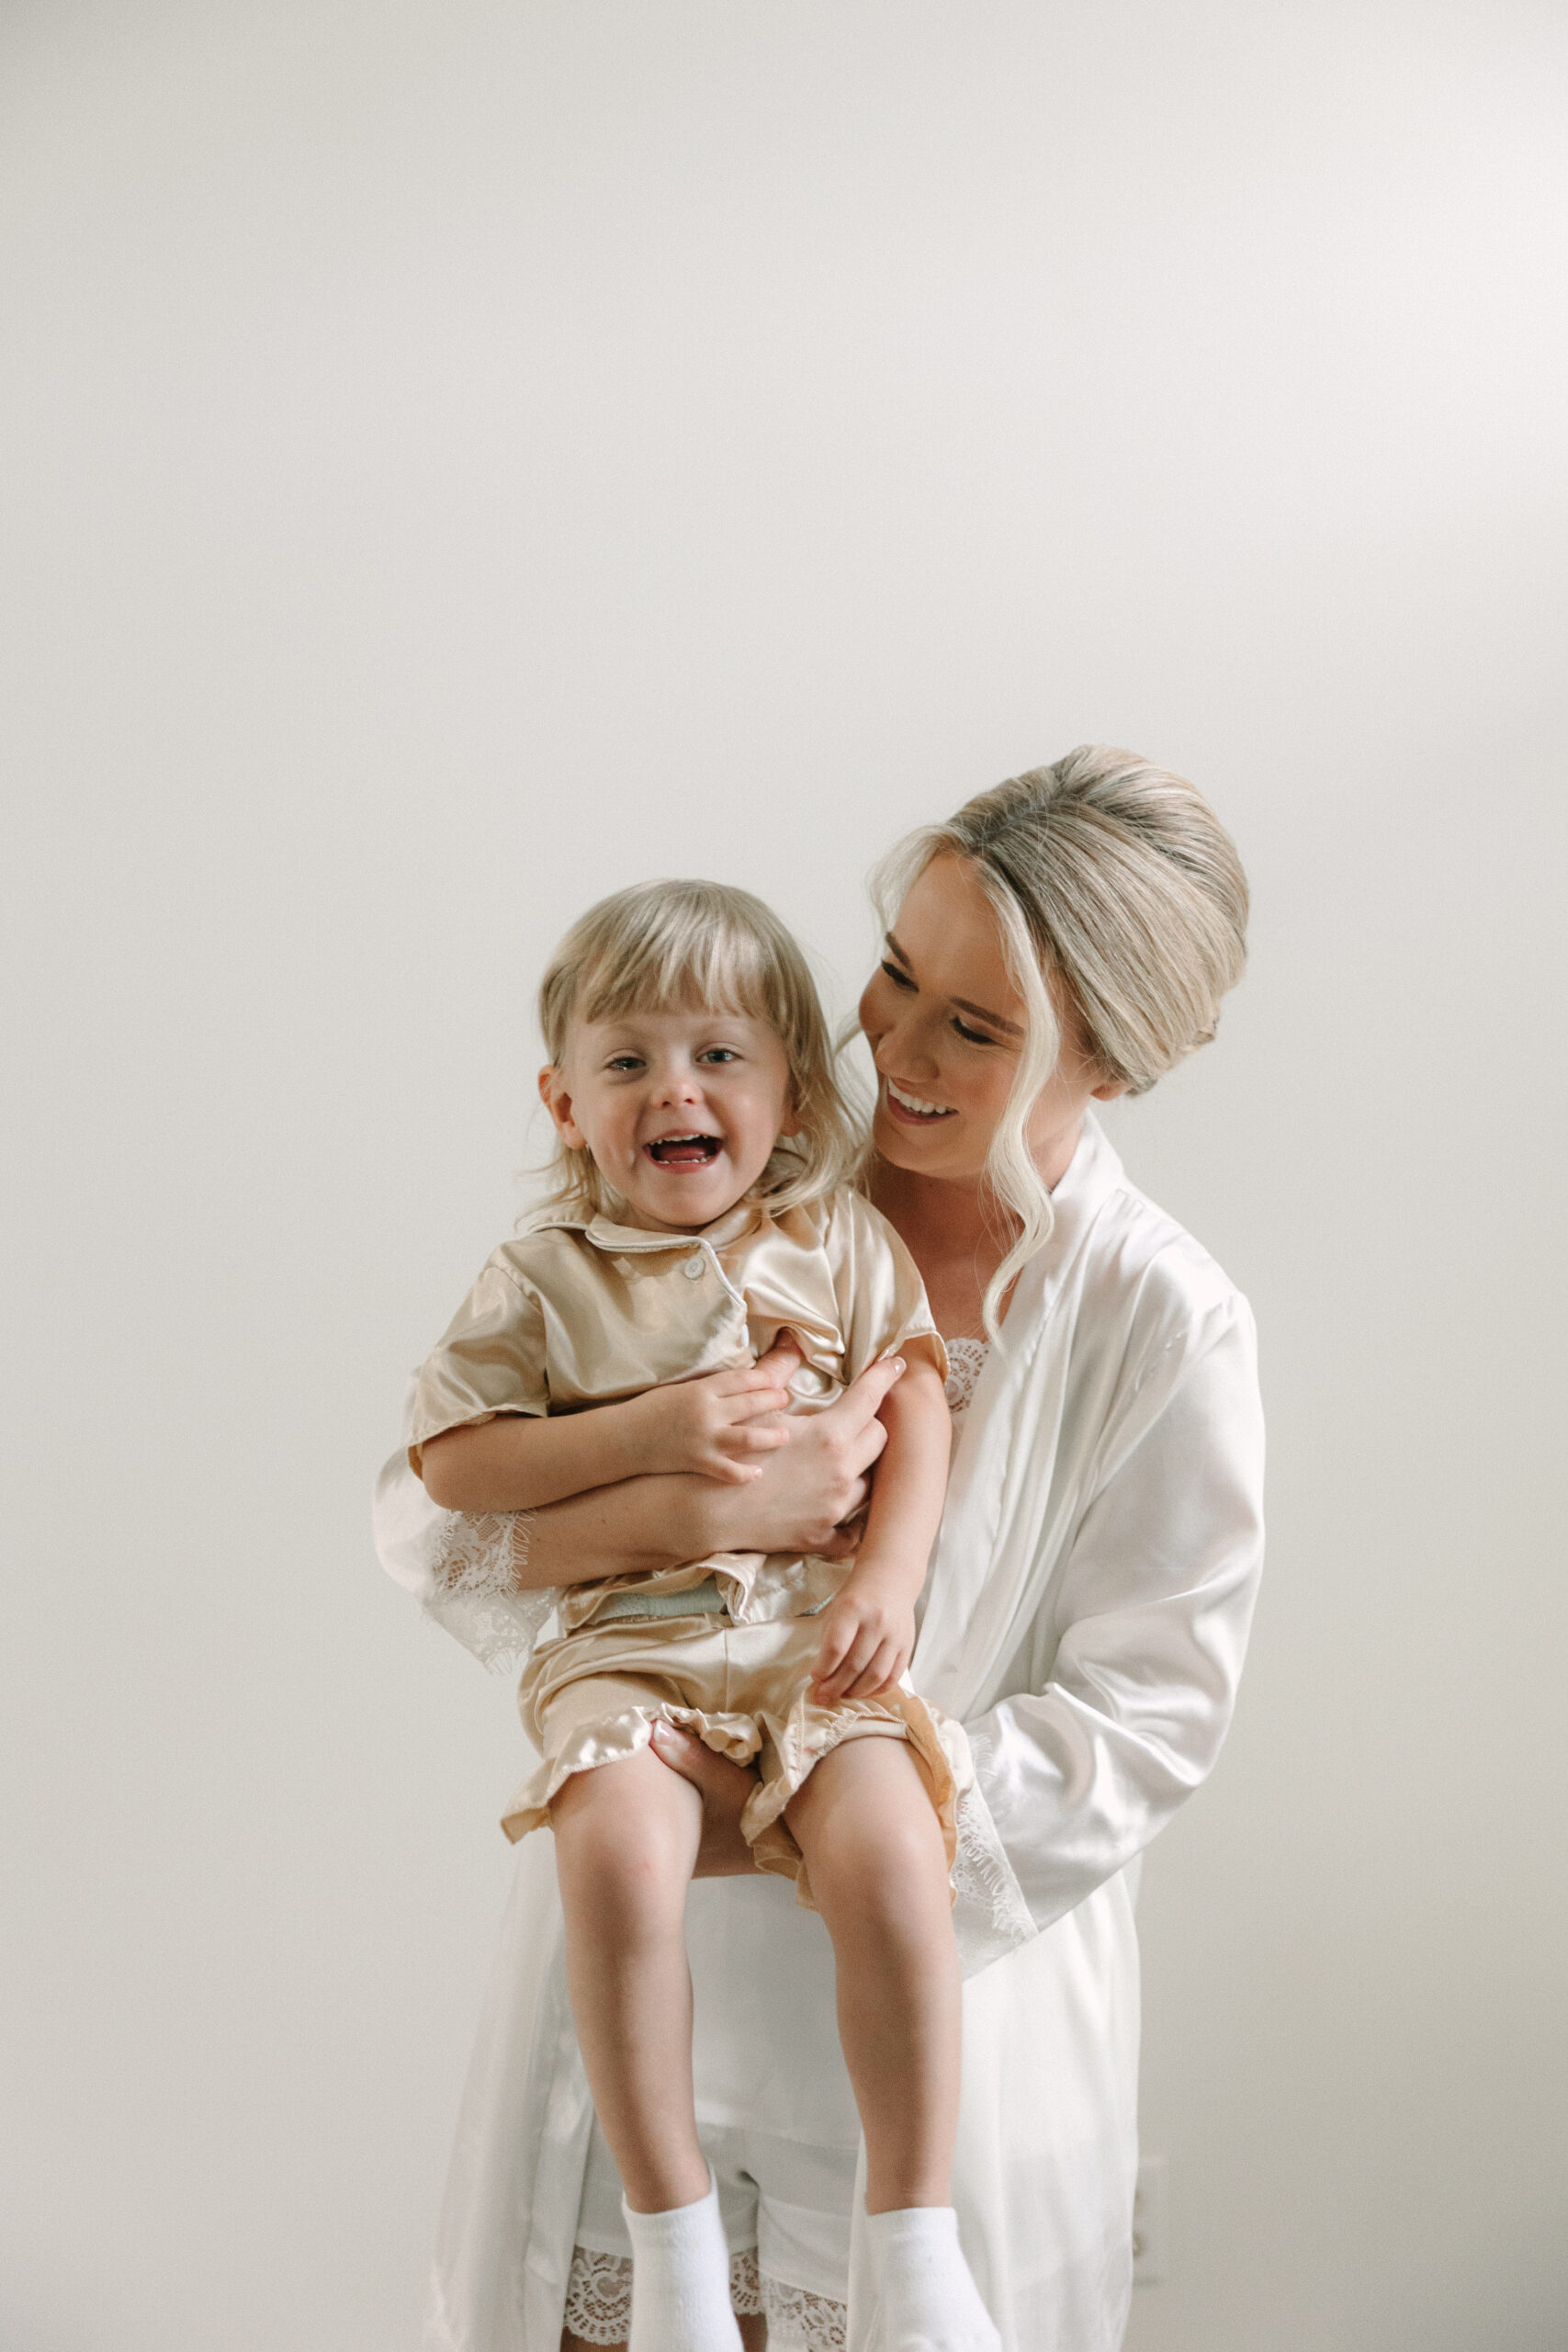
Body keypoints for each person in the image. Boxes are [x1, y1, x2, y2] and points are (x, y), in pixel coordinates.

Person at [373, 745, 1266, 2352]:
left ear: (1111, 1062)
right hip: (648, 1995)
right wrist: (698, 1511)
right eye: (896, 974)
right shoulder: (743, 1173)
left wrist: (803, 1810)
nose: (894, 1050)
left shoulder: (1161, 1319)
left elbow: (1149, 1721)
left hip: (937, 2039)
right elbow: (433, 1517)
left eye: (975, 1027)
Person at [405, 877, 997, 2352]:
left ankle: (915, 2240)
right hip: (627, 1650)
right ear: (565, 1105)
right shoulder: (542, 1279)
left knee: (895, 1848)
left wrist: (888, 1579)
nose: (676, 1088)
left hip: (812, 1634)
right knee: (610, 1852)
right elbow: (456, 1467)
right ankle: (669, 2246)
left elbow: (917, 1400)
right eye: (629, 1062)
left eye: (719, 1055)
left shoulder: (836, 1239)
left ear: (789, 1090)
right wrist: (653, 1429)